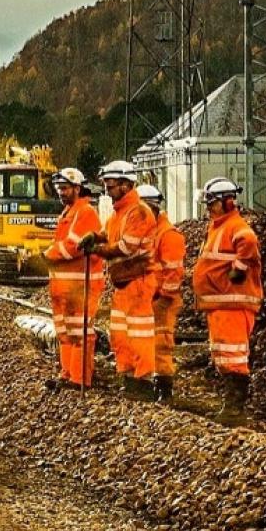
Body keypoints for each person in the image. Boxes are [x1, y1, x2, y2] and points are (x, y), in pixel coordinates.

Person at [192, 176, 262, 423]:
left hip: (232, 302)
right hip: (221, 302)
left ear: (228, 202)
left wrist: (239, 268)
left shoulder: (234, 226)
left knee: (233, 356)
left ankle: (235, 409)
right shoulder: (218, 226)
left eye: (213, 203)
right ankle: (231, 406)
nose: (209, 207)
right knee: (223, 354)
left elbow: (249, 242)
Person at [89, 161, 160, 399]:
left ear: (127, 184)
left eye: (111, 186)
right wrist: (94, 237)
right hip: (122, 284)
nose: (107, 190)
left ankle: (144, 382)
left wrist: (99, 250)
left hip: (138, 281)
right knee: (120, 335)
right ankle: (129, 378)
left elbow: (124, 247)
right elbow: (107, 234)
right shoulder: (119, 213)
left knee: (139, 336)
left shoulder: (138, 212)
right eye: (106, 186)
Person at [41, 168, 103, 390]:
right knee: (65, 332)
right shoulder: (68, 213)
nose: (61, 193)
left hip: (80, 285)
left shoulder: (85, 212)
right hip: (65, 286)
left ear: (78, 188)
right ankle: (68, 373)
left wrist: (48, 255)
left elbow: (73, 246)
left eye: (65, 189)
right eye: (59, 189)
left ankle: (80, 378)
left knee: (80, 333)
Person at [142, 184, 186, 402]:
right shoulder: (148, 231)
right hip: (148, 298)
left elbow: (174, 271)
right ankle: (153, 383)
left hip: (162, 300)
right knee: (147, 342)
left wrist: (163, 298)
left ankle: (164, 389)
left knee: (161, 343)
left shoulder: (167, 235)